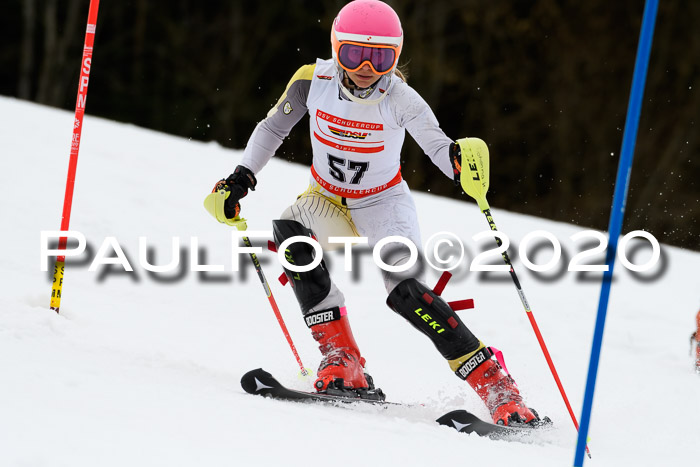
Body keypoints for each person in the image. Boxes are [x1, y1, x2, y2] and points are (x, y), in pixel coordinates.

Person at [209, 0, 542, 426]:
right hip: (326, 198)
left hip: (383, 203)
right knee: (291, 234)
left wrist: (459, 164)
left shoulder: (401, 98)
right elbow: (274, 126)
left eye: (382, 57)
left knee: (406, 294)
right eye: (354, 53)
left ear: (396, 56)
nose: (367, 66)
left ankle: (498, 387)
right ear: (336, 48)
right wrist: (242, 176)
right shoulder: (313, 80)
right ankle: (344, 361)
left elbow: (439, 147)